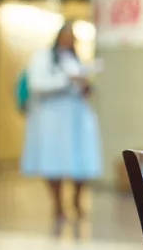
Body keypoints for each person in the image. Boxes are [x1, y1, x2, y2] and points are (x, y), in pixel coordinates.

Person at [21, 21, 102, 221]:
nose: (69, 41)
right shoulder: (43, 57)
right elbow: (37, 84)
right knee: (53, 160)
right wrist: (67, 80)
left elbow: (81, 85)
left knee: (81, 160)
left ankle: (77, 200)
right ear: (58, 37)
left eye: (72, 37)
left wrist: (84, 85)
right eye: (66, 36)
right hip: (52, 119)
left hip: (76, 117)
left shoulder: (74, 59)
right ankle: (57, 204)